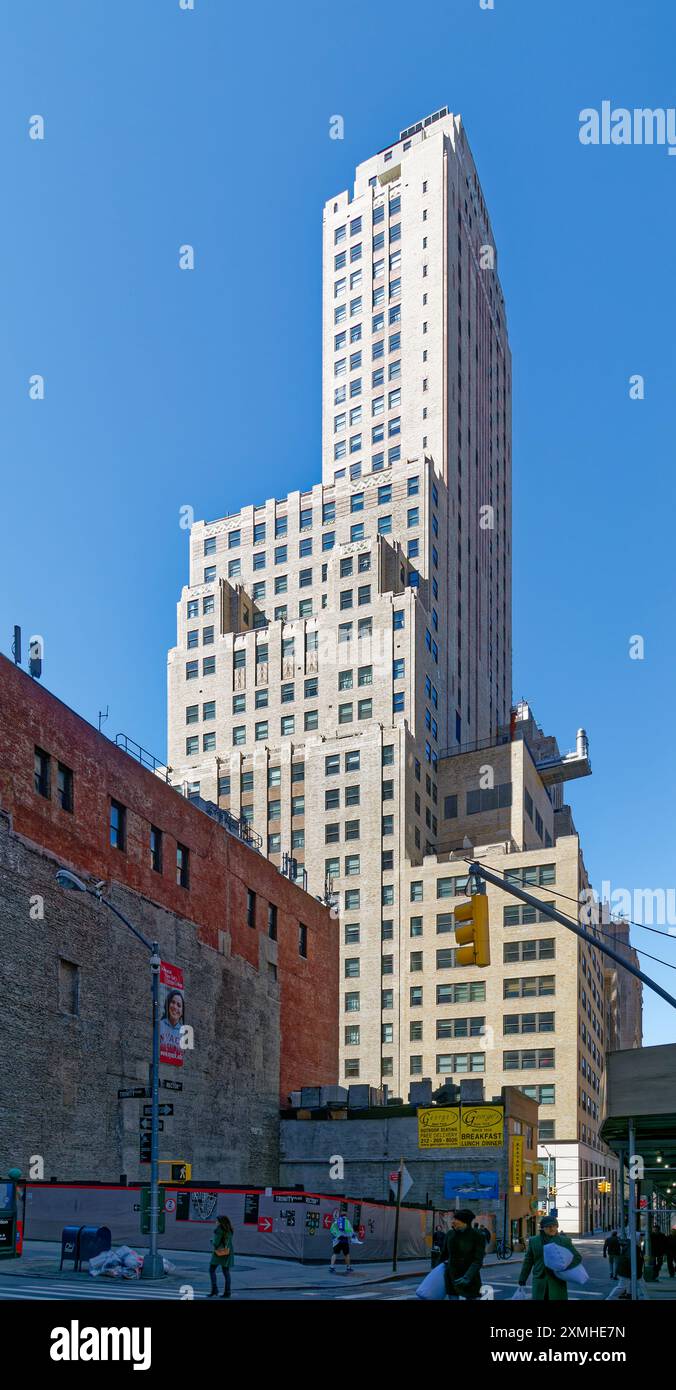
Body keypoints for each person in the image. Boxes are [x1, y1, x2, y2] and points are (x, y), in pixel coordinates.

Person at [517, 1216, 582, 1301]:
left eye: (554, 1226)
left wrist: (564, 1267)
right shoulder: (534, 1241)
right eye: (548, 1226)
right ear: (543, 1228)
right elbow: (528, 1261)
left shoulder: (564, 1241)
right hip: (540, 1280)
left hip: (557, 1281)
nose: (552, 1228)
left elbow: (577, 1257)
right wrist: (522, 1278)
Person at [439, 1209, 486, 1300]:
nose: (453, 1222)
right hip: (452, 1275)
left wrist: (467, 1277)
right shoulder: (450, 1234)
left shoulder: (477, 1235)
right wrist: (437, 1270)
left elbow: (478, 1260)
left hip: (469, 1276)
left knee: (471, 1297)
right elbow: (443, 1255)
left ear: (465, 1222)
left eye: (456, 1220)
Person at [208, 1214, 234, 1298]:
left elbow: (216, 1242)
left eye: (217, 1221)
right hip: (227, 1252)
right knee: (226, 1272)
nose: (216, 1222)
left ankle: (214, 1290)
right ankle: (227, 1292)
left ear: (220, 1222)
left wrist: (212, 1241)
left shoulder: (219, 1229)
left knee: (212, 1270)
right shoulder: (229, 1229)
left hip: (219, 1253)